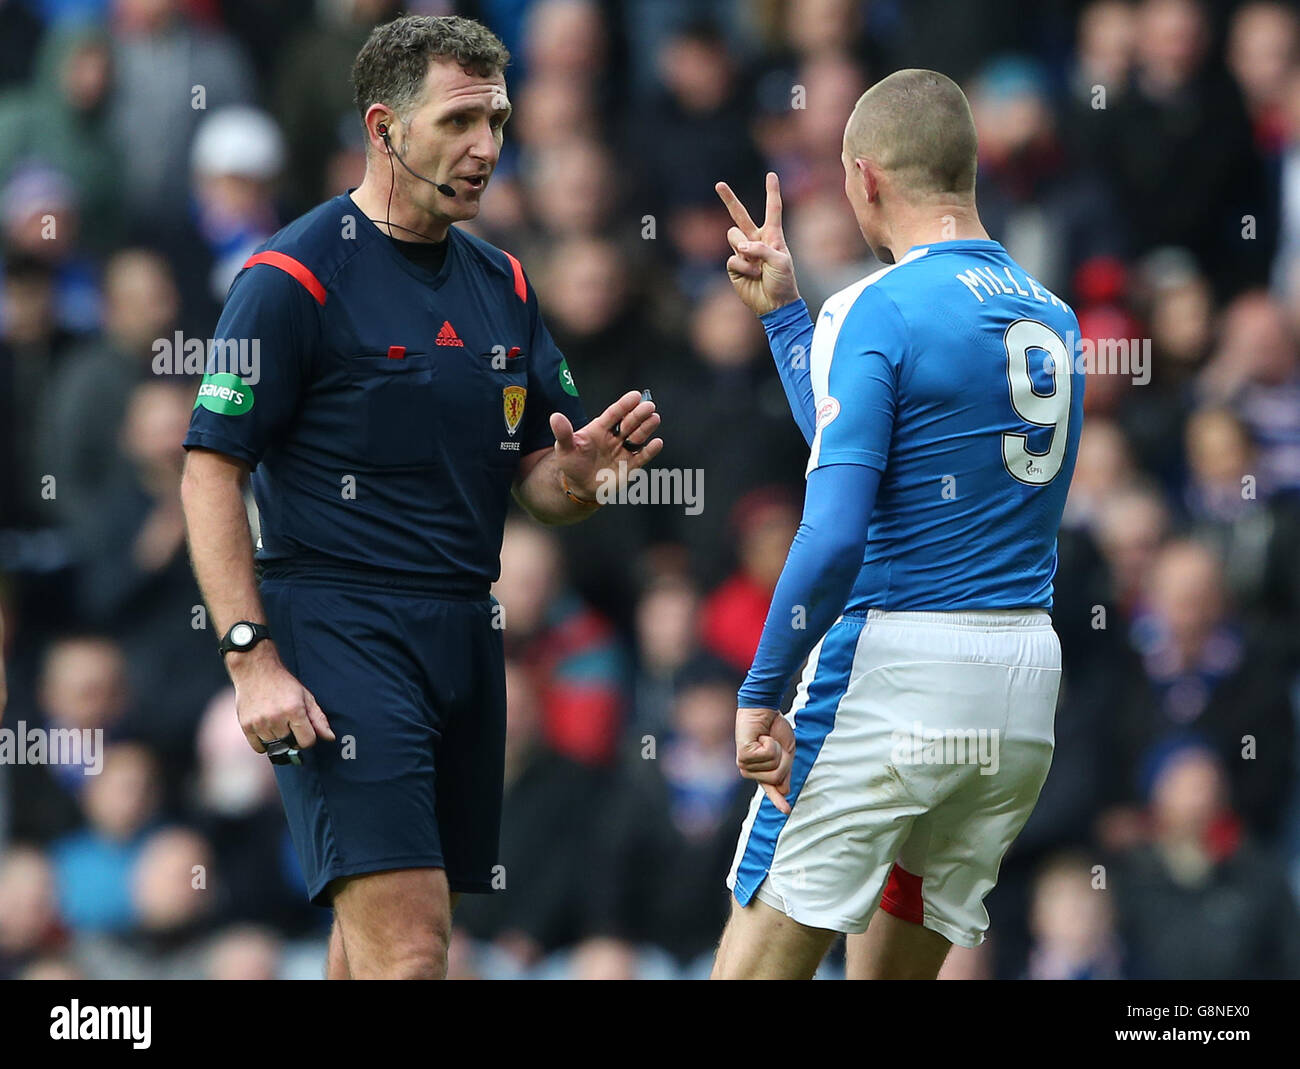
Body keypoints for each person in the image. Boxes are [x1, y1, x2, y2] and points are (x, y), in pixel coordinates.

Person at [179, 14, 663, 981]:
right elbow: (208, 469)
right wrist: (249, 656)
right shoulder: (289, 277)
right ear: (384, 126)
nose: (487, 146)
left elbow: (544, 483)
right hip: (340, 636)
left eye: (498, 119)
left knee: (369, 949)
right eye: (459, 122)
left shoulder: (506, 281)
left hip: (463, 636)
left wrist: (586, 478)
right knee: (413, 950)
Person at [710, 68, 1084, 979]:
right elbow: (880, 451)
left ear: (866, 179)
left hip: (895, 668)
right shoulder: (1054, 315)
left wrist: (763, 685)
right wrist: (788, 324)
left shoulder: (876, 306)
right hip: (1019, 689)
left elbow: (834, 531)